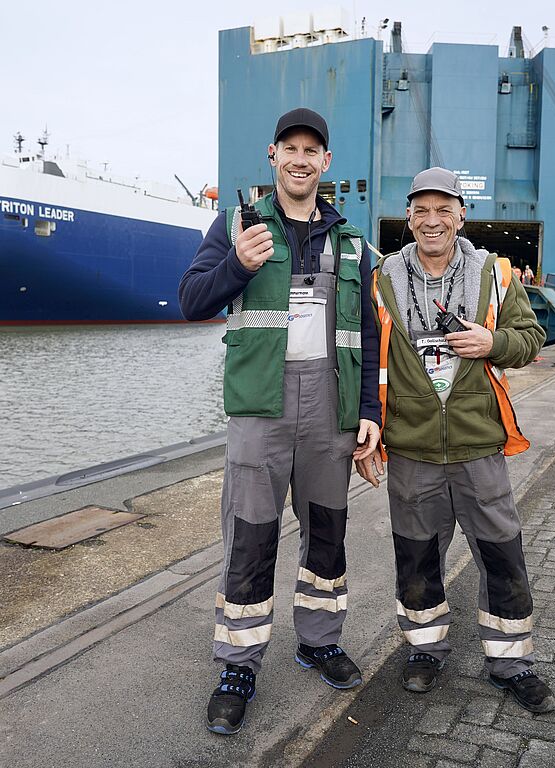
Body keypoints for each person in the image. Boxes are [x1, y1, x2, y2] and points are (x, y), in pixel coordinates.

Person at [179, 108, 381, 735]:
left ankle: (319, 640)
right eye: (289, 148)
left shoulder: (352, 242)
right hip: (258, 408)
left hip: (330, 407)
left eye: (310, 150)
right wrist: (236, 265)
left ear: (327, 162)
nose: (300, 159)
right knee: (251, 536)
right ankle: (238, 665)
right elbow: (191, 301)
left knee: (327, 533)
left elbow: (368, 334)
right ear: (273, 156)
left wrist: (369, 411)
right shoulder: (236, 224)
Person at [356, 167, 555, 713]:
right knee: (416, 556)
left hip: (478, 444)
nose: (432, 220)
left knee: (501, 553)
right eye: (421, 210)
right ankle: (425, 650)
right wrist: (366, 429)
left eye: (444, 209)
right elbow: (362, 358)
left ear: (461, 216)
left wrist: (493, 342)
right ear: (408, 217)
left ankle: (511, 663)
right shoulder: (381, 279)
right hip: (412, 447)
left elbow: (531, 337)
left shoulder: (495, 274)